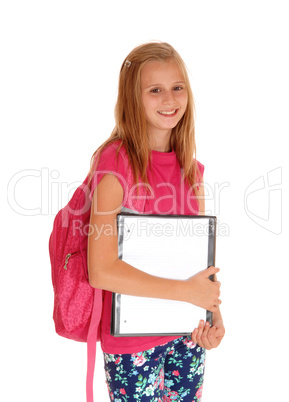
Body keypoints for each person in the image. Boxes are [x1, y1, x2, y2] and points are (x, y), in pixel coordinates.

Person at [87, 41, 225, 401]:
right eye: (155, 90)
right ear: (133, 98)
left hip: (187, 335)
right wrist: (186, 293)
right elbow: (101, 270)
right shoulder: (114, 163)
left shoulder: (192, 171)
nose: (169, 99)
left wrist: (213, 319)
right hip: (132, 344)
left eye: (177, 87)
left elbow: (201, 264)